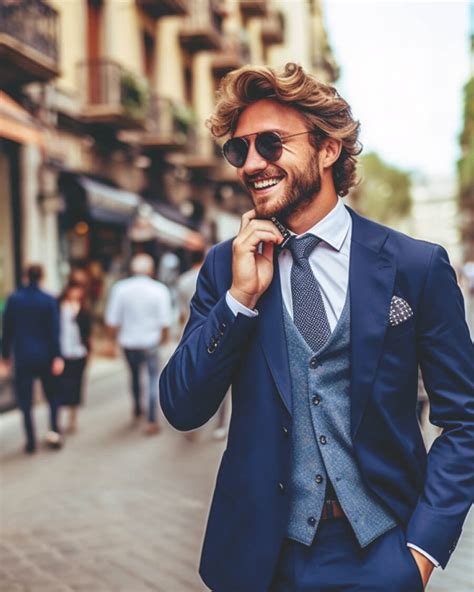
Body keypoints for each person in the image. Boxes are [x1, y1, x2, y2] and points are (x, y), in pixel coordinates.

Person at [159, 63, 474, 592]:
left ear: (329, 149)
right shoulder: (223, 266)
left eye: (270, 143)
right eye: (240, 150)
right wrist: (239, 301)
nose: (252, 163)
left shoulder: (415, 266)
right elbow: (182, 408)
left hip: (381, 553)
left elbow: (464, 419)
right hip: (260, 562)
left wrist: (420, 551)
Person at [0, 264, 64, 453]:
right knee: (52, 396)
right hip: (46, 356)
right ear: (42, 277)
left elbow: (7, 331)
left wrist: (5, 356)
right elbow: (55, 331)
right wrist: (57, 356)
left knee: (25, 401)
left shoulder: (14, 299)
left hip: (23, 356)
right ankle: (53, 432)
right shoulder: (49, 300)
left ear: (26, 277)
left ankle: (30, 441)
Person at [105, 254, 172, 434]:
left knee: (134, 376)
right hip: (151, 341)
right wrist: (164, 338)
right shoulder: (159, 290)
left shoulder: (120, 288)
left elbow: (112, 320)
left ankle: (137, 409)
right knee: (152, 378)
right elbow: (165, 322)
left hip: (128, 341)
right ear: (150, 270)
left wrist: (111, 341)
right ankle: (151, 419)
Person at [176, 250, 229, 441]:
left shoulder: (183, 280)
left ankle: (192, 422)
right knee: (221, 378)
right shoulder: (219, 274)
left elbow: (182, 311)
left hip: (191, 333)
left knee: (192, 377)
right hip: (217, 333)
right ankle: (220, 425)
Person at [57, 281, 91, 433]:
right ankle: (58, 419)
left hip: (78, 352)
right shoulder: (59, 306)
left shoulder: (83, 308)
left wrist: (88, 350)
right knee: (62, 386)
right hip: (62, 352)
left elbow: (87, 331)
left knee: (76, 385)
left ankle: (73, 418)